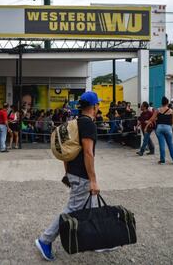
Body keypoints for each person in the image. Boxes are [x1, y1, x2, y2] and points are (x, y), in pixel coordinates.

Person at [35, 92, 101, 261]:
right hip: (82, 175)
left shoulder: (73, 123)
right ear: (94, 107)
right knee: (71, 209)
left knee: (91, 206)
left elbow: (66, 152)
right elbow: (88, 152)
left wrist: (67, 173)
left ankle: (97, 240)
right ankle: (45, 240)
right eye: (98, 105)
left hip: (74, 172)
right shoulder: (88, 125)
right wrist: (93, 180)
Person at [145, 96, 173, 165]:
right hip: (168, 128)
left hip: (159, 128)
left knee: (162, 145)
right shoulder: (170, 110)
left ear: (162, 103)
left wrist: (146, 126)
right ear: (167, 103)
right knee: (170, 144)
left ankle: (162, 161)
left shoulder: (158, 110)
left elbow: (152, 119)